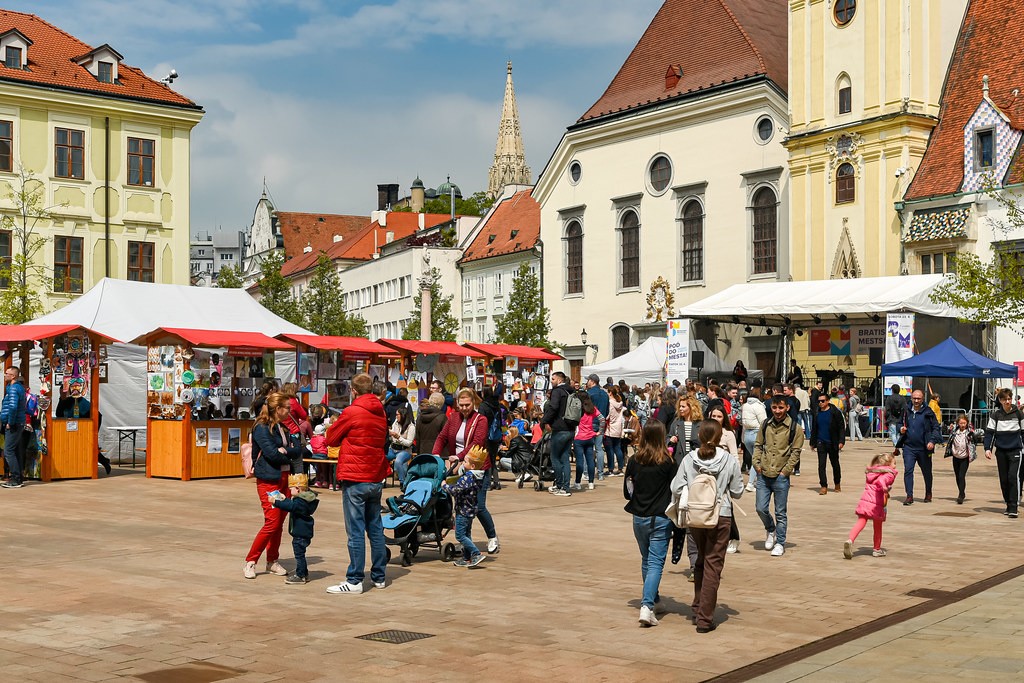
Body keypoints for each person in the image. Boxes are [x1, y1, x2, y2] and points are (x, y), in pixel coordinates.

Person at [671, 420, 743, 634]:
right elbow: (738, 490)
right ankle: (704, 618)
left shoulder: (689, 459)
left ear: (699, 435)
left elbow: (676, 487)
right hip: (720, 515)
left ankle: (698, 607)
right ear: (720, 436)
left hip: (696, 516)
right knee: (713, 565)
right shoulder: (728, 460)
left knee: (701, 561)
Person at [325, 373, 391, 594]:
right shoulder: (380, 411)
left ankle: (354, 580)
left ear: (353, 391)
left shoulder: (352, 411)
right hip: (375, 474)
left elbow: (330, 439)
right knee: (375, 527)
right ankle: (379, 576)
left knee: (355, 530)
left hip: (355, 476)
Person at [624, 420, 679, 628]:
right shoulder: (668, 462)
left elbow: (627, 490)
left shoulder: (634, 460)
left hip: (639, 516)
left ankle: (654, 599)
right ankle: (646, 606)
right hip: (660, 517)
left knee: (647, 559)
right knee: (655, 562)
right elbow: (675, 489)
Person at [244, 392, 304, 579]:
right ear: (277, 409)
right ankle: (250, 561)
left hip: (284, 478)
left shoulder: (282, 427)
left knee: (279, 523)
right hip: (269, 479)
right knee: (271, 522)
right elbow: (272, 454)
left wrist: (286, 450)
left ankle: (272, 561)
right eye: (287, 407)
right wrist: (288, 452)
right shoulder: (262, 428)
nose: (290, 410)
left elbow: (299, 449)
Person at [433, 388, 500, 552]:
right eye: (461, 405)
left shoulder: (481, 420)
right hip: (458, 469)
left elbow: (477, 442)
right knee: (463, 506)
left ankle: (492, 537)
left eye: (467, 405)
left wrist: (460, 456)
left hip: (477, 468)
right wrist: (435, 454)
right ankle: (467, 542)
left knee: (478, 506)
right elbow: (442, 437)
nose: (463, 408)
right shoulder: (453, 417)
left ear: (473, 402)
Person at [753, 395, 804, 557]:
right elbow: (758, 445)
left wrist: (786, 471)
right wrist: (757, 464)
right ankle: (770, 529)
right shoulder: (765, 424)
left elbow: (796, 453)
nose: (777, 411)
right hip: (764, 473)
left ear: (787, 408)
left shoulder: (795, 428)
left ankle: (780, 542)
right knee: (760, 508)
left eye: (781, 408)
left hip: (781, 475)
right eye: (774, 408)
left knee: (780, 512)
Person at [441, 445, 489, 567]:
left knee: (460, 535)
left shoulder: (468, 477)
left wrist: (444, 486)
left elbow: (456, 490)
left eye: (466, 461)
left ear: (472, 466)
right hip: (471, 509)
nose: (463, 463)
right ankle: (466, 558)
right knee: (467, 534)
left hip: (463, 510)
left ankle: (476, 553)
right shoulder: (478, 477)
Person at [843, 453, 898, 559]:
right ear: (888, 464)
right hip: (877, 502)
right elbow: (882, 481)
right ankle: (876, 549)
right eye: (894, 463)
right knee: (878, 526)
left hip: (865, 499)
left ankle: (850, 540)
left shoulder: (872, 472)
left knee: (861, 520)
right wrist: (885, 488)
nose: (895, 466)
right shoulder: (889, 474)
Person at [269, 473, 320, 584]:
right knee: (301, 554)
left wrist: (276, 502)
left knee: (299, 555)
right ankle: (304, 574)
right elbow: (292, 504)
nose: (289, 490)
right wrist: (283, 498)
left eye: (291, 488)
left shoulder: (300, 502)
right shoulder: (305, 499)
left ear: (297, 489)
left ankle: (300, 575)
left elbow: (291, 506)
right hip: (303, 533)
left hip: (300, 534)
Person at [983, 387, 1024, 517]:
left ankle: (1013, 506)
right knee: (1004, 479)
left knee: (1013, 477)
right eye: (1005, 399)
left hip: (1016, 450)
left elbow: (1023, 433)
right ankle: (1008, 503)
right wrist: (987, 448)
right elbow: (989, 433)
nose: (1007, 401)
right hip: (1001, 451)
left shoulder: (1018, 414)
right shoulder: (996, 415)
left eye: (1009, 399)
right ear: (1000, 400)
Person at [898, 389, 941, 506]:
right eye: (914, 398)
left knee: (926, 472)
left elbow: (936, 428)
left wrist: (932, 441)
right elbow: (899, 423)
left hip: (924, 448)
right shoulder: (906, 410)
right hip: (909, 447)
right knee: (908, 470)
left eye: (918, 398)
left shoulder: (928, 412)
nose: (916, 401)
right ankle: (909, 496)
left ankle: (928, 492)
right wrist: (900, 428)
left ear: (923, 399)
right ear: (911, 398)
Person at [541, 371, 576, 496]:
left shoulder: (557, 391)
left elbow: (554, 407)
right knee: (565, 458)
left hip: (560, 428)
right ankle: (565, 487)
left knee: (555, 457)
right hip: (571, 428)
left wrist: (544, 420)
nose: (551, 381)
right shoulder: (571, 391)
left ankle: (560, 485)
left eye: (553, 379)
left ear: (560, 380)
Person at [1, 367, 27, 489]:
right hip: (18, 422)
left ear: (13, 376)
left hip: (14, 423)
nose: (4, 375)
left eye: (7, 374)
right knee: (15, 450)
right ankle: (19, 477)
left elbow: (12, 407)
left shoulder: (14, 389)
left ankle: (16, 478)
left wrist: (10, 422)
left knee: (8, 451)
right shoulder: (15, 388)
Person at [945, 413, 978, 505]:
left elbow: (977, 437)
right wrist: (950, 428)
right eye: (961, 423)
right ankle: (960, 490)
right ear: (958, 424)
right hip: (956, 456)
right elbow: (947, 431)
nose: (963, 425)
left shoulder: (969, 432)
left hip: (965, 457)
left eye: (964, 423)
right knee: (957, 475)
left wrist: (973, 435)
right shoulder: (955, 432)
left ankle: (961, 494)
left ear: (967, 423)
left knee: (961, 475)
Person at [740, 387, 768, 492]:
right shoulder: (759, 406)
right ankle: (751, 483)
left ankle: (755, 480)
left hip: (747, 434)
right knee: (757, 460)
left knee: (755, 459)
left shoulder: (745, 406)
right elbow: (764, 422)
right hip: (757, 433)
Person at [585, 374, 610, 480]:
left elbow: (585, 409)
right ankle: (600, 473)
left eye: (588, 381)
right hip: (601, 421)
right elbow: (608, 410)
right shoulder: (605, 394)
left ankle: (587, 473)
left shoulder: (589, 393)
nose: (587, 383)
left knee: (588, 448)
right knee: (599, 449)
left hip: (590, 422)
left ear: (592, 381)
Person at [573, 392, 599, 491]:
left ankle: (578, 482)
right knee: (590, 461)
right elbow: (602, 419)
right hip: (590, 437)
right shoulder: (593, 409)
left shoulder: (579, 409)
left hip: (579, 438)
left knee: (579, 462)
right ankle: (591, 482)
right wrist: (599, 431)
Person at [388, 404, 416, 487]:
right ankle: (382, 478)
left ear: (403, 415)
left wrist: (398, 437)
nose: (396, 416)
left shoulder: (411, 427)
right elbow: (392, 434)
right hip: (393, 448)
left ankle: (402, 482)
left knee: (398, 461)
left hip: (405, 450)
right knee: (382, 457)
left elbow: (409, 443)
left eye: (397, 414)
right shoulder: (395, 423)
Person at [415, 392, 449, 459]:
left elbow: (417, 438)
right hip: (438, 454)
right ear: (441, 404)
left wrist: (418, 453)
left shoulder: (420, 417)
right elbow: (446, 438)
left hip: (423, 452)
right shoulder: (442, 418)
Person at [606, 386, 626, 476]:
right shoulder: (620, 403)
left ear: (610, 393)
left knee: (609, 450)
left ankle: (610, 469)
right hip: (618, 427)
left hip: (610, 428)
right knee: (617, 448)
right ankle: (620, 469)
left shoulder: (610, 402)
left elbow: (608, 415)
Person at [884, 385, 908, 451]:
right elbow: (905, 409)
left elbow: (887, 409)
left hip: (891, 417)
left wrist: (886, 417)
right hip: (900, 417)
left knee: (893, 433)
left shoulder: (889, 398)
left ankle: (896, 445)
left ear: (892, 390)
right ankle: (898, 444)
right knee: (898, 432)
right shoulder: (902, 398)